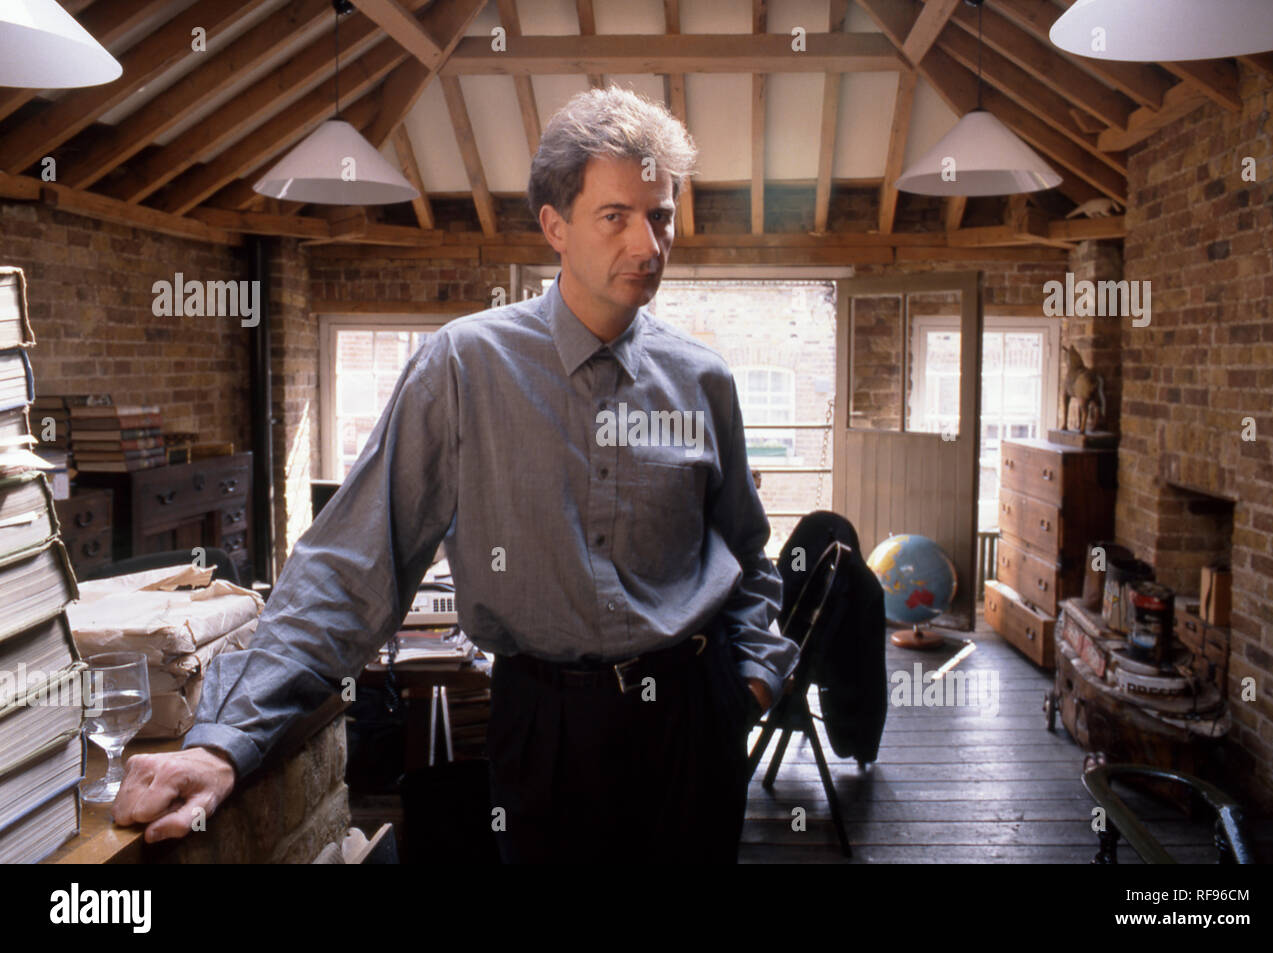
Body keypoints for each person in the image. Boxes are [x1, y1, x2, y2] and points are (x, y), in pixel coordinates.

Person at [112, 85, 800, 863]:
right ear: (555, 226)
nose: (648, 245)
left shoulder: (703, 379)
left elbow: (746, 554)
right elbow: (350, 565)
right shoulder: (464, 368)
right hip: (545, 733)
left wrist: (750, 684)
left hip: (692, 724)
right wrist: (224, 742)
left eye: (661, 216)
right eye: (617, 216)